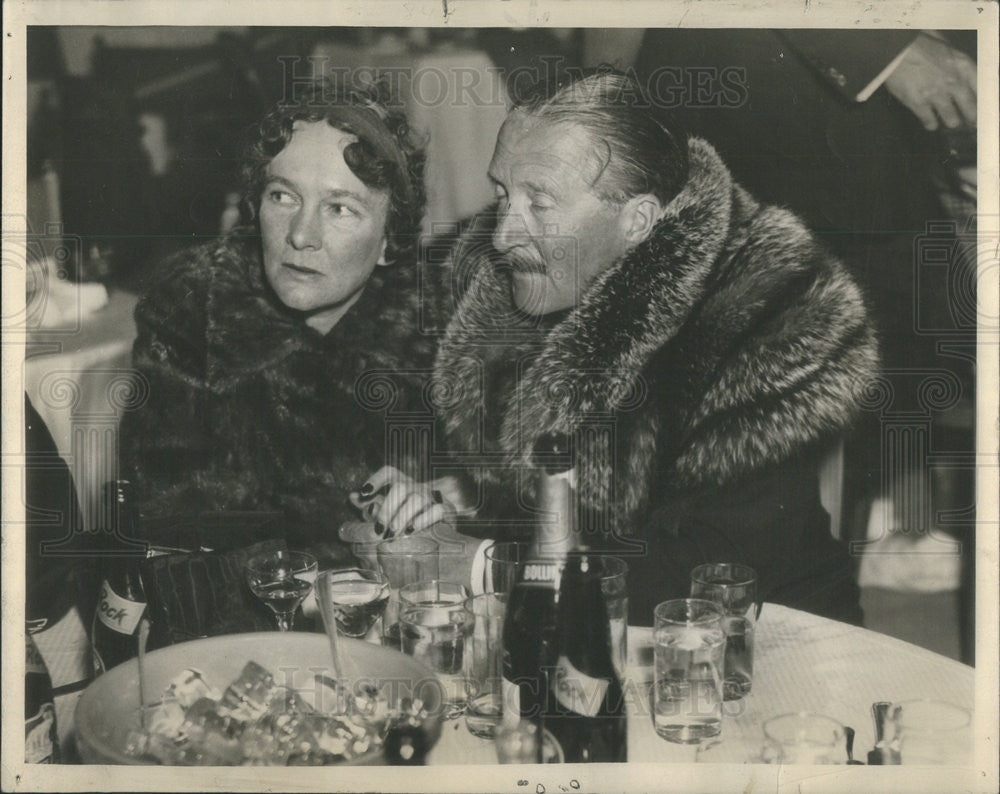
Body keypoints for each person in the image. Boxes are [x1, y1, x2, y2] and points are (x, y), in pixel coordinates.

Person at [359, 69, 879, 625]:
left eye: (540, 203)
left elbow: (710, 570)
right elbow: (543, 494)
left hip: (760, 643)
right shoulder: (500, 287)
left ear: (638, 222)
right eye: (503, 193)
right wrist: (447, 498)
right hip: (576, 636)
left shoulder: (764, 326)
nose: (503, 234)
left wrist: (481, 565)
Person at [120, 80, 434, 556]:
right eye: (282, 197)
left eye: (340, 208)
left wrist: (443, 505)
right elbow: (175, 534)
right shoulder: (195, 311)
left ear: (392, 240)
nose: (302, 235)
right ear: (254, 205)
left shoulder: (434, 324)